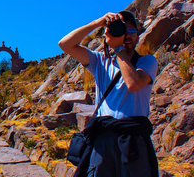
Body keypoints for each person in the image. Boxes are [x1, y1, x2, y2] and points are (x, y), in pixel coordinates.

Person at [58, 10, 158, 177]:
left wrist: (119, 49)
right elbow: (64, 44)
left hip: (133, 139)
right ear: (108, 35)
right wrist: (97, 23)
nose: (127, 36)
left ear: (138, 37)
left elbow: (133, 83)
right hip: (103, 139)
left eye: (132, 32)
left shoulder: (146, 62)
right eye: (121, 31)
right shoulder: (100, 61)